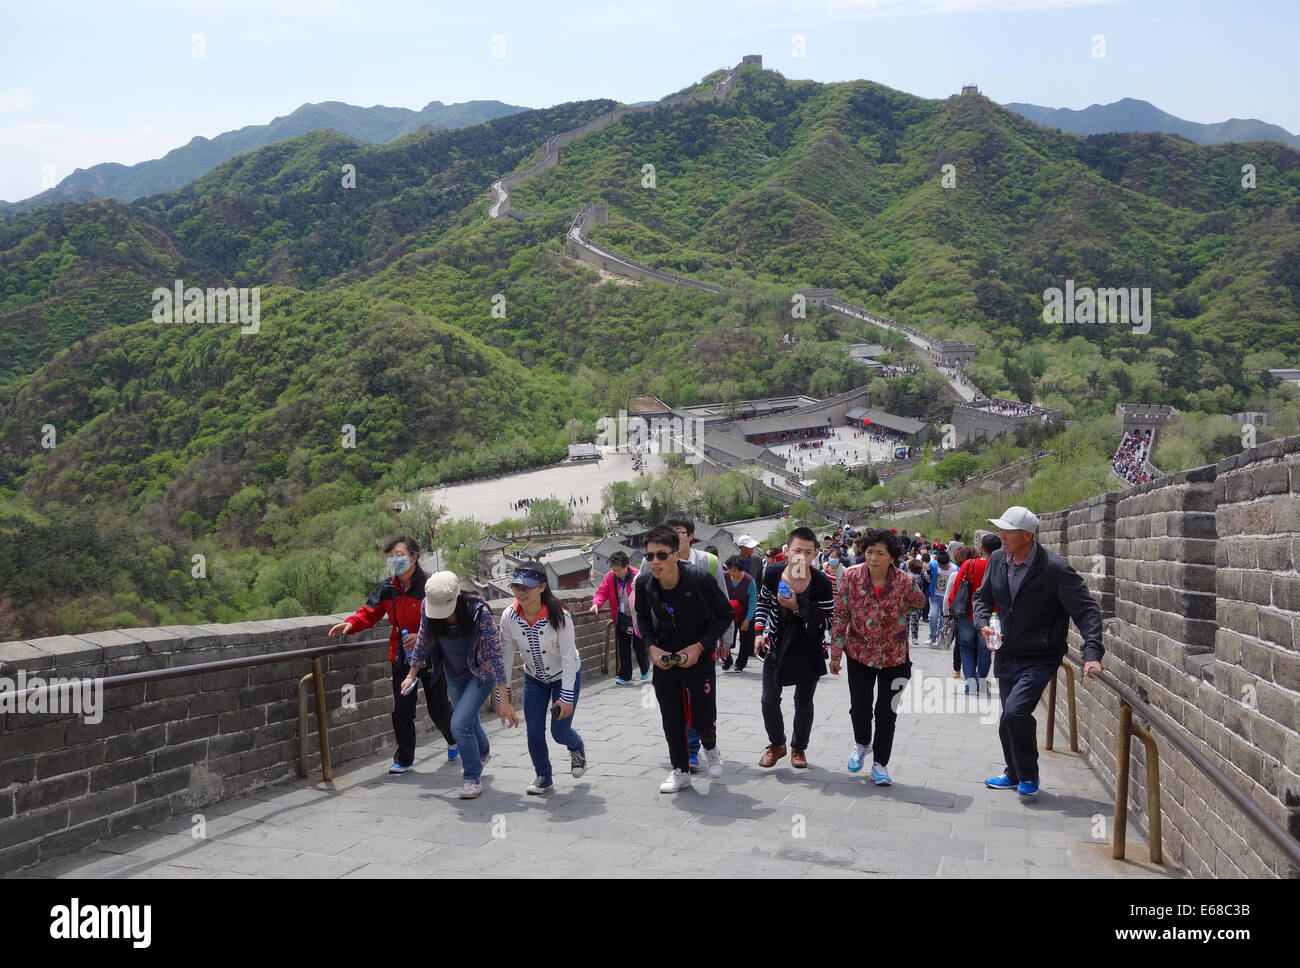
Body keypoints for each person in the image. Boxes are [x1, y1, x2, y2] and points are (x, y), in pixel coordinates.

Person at [973, 506, 1104, 797]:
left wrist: (1092, 653)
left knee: (1016, 712)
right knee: (1007, 718)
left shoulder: (1055, 569)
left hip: (1040, 656)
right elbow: (982, 598)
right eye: (1000, 530)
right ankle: (1013, 772)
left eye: (1008, 531)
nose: (1001, 536)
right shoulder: (997, 560)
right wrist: (983, 623)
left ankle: (1029, 775)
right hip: (1007, 653)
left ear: (1027, 536)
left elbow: (1087, 610)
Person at [330, 536, 457, 774]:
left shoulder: (430, 587)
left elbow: (446, 621)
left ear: (414, 557)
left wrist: (423, 635)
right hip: (401, 657)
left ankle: (453, 739)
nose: (394, 561)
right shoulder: (388, 588)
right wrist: (350, 624)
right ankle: (405, 759)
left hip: (430, 657)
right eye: (390, 558)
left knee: (438, 708)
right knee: (401, 710)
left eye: (399, 556)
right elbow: (369, 613)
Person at [634, 524, 734, 793]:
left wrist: (700, 647)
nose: (655, 562)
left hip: (698, 657)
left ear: (676, 555)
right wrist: (652, 648)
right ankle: (680, 770)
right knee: (672, 718)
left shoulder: (699, 579)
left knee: (702, 715)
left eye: (661, 555)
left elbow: (725, 614)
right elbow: (641, 617)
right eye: (650, 556)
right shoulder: (645, 584)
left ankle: (711, 749)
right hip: (666, 659)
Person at [403, 572, 518, 799]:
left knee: (458, 725)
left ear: (457, 596)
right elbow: (424, 639)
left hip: (481, 673)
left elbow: (495, 656)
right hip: (453, 672)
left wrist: (503, 698)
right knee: (467, 721)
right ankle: (483, 752)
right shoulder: (428, 607)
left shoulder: (478, 611)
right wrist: (411, 674)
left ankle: (472, 777)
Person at [829, 528, 927, 785]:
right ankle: (862, 744)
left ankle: (880, 764)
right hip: (859, 653)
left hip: (895, 656)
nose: (873, 558)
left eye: (880, 553)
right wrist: (835, 654)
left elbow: (920, 603)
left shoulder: (905, 581)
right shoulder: (851, 577)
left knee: (886, 713)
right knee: (859, 708)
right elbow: (840, 616)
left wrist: (899, 615)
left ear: (892, 557)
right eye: (869, 552)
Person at [753, 528, 835, 769]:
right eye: (797, 550)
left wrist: (798, 606)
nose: (801, 556)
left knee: (803, 701)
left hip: (808, 648)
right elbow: (764, 602)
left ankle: (799, 748)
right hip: (776, 646)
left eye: (808, 552)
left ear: (816, 554)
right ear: (786, 551)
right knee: (769, 700)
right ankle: (777, 744)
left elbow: (828, 620)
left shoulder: (821, 583)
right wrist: (758, 632)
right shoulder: (773, 573)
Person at [501, 565, 585, 796]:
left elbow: (568, 657)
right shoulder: (509, 617)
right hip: (534, 679)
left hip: (564, 677)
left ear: (541, 587)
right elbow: (505, 657)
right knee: (534, 731)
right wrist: (503, 697)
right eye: (516, 587)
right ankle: (544, 775)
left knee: (559, 732)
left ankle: (576, 746)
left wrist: (566, 697)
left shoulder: (560, 615)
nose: (521, 592)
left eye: (526, 587)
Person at [948, 533, 1000, 693]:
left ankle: (971, 683)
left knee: (966, 648)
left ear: (981, 548)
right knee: (985, 650)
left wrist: (951, 607)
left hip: (967, 614)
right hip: (991, 616)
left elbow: (956, 589)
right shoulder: (1001, 567)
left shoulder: (969, 564)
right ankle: (981, 682)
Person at [589, 551, 648, 684]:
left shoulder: (637, 576)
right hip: (620, 617)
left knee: (639, 646)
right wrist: (596, 604)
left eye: (619, 570)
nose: (616, 573)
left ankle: (644, 668)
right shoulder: (610, 577)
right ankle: (626, 676)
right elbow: (602, 591)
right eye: (614, 570)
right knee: (623, 648)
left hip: (636, 618)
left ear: (627, 565)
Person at [722, 555, 758, 672]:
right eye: (729, 569)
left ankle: (740, 663)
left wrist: (747, 620)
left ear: (741, 569)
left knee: (744, 640)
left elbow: (753, 602)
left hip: (745, 614)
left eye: (734, 570)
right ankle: (727, 659)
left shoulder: (749, 581)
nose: (731, 572)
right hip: (728, 613)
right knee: (726, 638)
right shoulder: (724, 577)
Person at [928, 549, 960, 646]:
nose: (943, 567)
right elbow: (924, 569)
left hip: (947, 598)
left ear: (948, 562)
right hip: (935, 595)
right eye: (941, 566)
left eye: (945, 566)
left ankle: (939, 638)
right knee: (932, 616)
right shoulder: (933, 565)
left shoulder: (955, 569)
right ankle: (932, 636)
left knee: (943, 619)